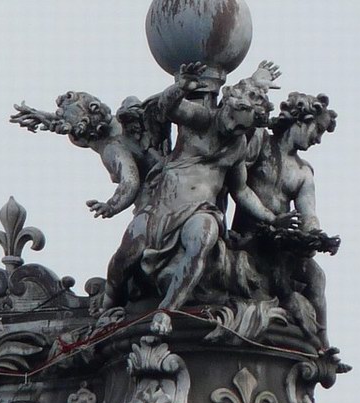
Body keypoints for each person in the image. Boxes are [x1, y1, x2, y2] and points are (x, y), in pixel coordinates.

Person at [100, 62, 288, 313]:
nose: (233, 128)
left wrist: (273, 218)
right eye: (232, 119)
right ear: (227, 104)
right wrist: (180, 88)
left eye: (242, 127)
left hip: (202, 211)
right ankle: (108, 305)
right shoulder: (201, 119)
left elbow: (241, 190)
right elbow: (169, 108)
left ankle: (166, 312)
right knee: (125, 257)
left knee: (202, 239)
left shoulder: (238, 145)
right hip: (162, 208)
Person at [232, 92, 338, 348]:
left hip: (282, 240)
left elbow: (308, 215)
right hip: (250, 237)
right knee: (282, 284)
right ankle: (309, 338)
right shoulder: (259, 144)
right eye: (318, 130)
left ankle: (323, 345)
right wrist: (272, 219)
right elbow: (238, 187)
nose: (318, 140)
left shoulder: (303, 172)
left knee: (316, 277)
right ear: (302, 120)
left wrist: (316, 237)